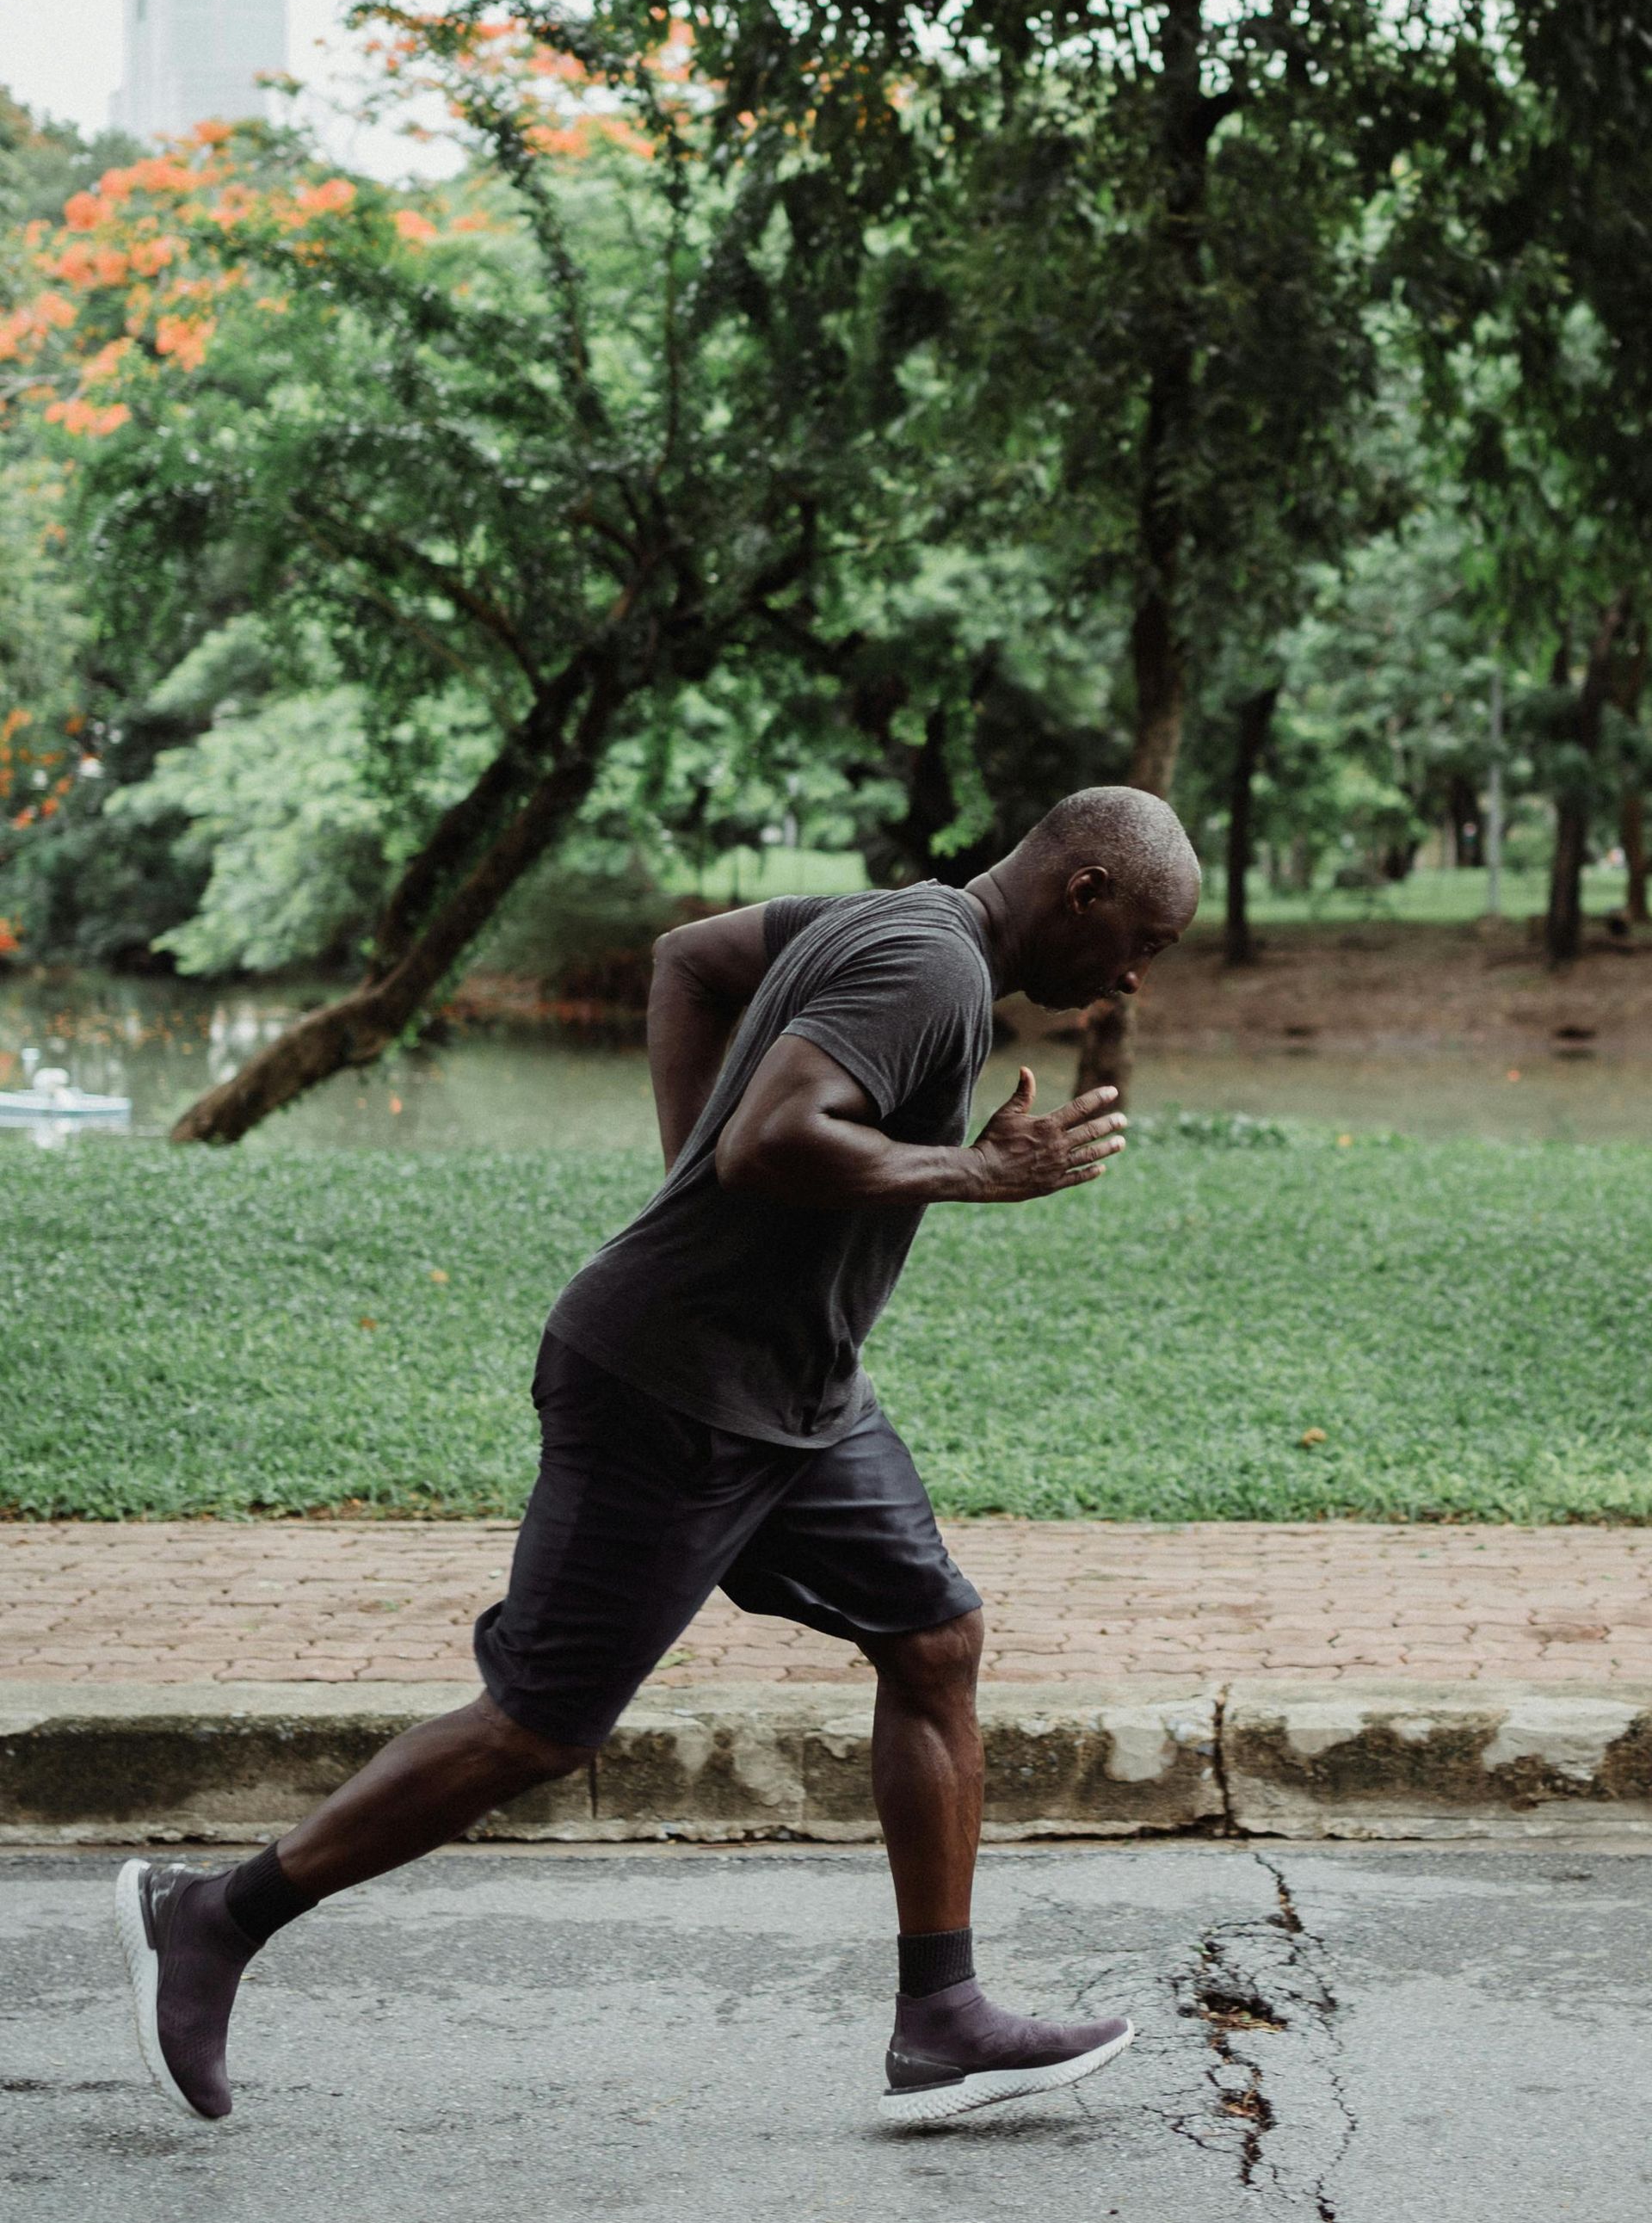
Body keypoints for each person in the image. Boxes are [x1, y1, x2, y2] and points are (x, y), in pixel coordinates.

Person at [116, 785, 1200, 2127]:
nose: (1135, 979)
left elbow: (687, 957)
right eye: (1140, 939)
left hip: (799, 1394)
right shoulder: (934, 969)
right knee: (535, 1729)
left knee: (936, 1643)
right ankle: (213, 1916)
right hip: (669, 1388)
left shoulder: (887, 922)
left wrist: (683, 1168)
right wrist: (977, 1174)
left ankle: (941, 2018)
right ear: (1082, 890)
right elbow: (773, 1141)